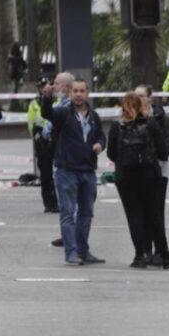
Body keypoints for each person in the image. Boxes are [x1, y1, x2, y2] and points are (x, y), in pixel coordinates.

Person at [109, 85, 169, 268]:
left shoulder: (117, 126)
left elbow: (111, 153)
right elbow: (163, 150)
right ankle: (163, 253)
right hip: (149, 175)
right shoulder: (150, 123)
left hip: (125, 177)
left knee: (134, 216)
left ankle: (140, 256)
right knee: (154, 215)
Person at [49, 76, 110, 266]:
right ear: (70, 93)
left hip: (87, 171)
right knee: (68, 213)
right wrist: (46, 98)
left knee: (86, 213)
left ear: (87, 93)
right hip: (67, 171)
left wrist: (100, 144)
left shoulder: (94, 116)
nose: (78, 94)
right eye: (75, 91)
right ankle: (71, 252)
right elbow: (47, 113)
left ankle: (84, 251)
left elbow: (101, 135)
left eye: (82, 91)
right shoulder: (62, 113)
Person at [28, 73, 66, 230]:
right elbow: (31, 122)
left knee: (57, 173)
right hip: (42, 141)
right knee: (45, 173)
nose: (44, 88)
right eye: (41, 87)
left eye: (46, 85)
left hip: (55, 140)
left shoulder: (57, 101)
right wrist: (37, 136)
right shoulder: (34, 103)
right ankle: (48, 203)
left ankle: (58, 202)